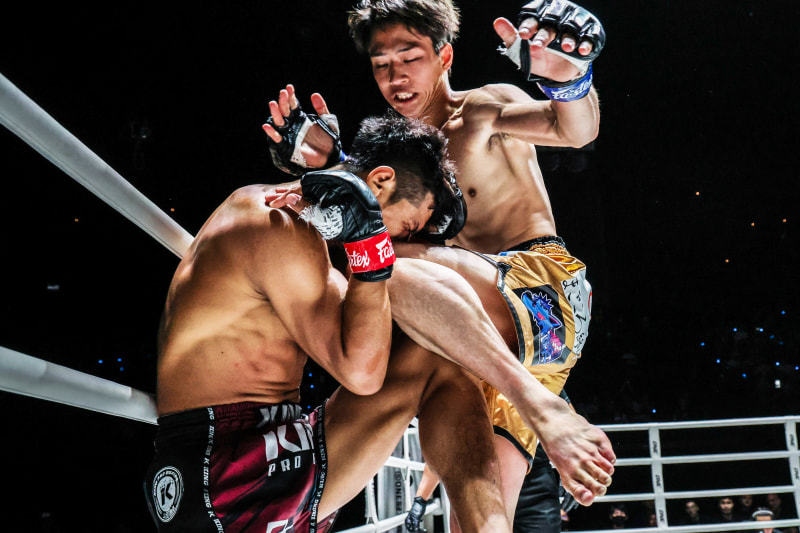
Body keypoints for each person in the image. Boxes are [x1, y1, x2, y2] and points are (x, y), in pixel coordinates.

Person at [262, 0, 609, 528]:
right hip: (486, 340)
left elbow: (573, 130)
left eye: (410, 58)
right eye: (382, 64)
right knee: (479, 518)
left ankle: (540, 406)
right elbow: (373, 221)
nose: (396, 77)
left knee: (379, 262)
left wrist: (569, 80)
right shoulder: (394, 153)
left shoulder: (484, 110)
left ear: (444, 56)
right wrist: (325, 166)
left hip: (542, 292)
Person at [143, 114, 513, 533]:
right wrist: (370, 245)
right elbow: (363, 374)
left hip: (263, 447)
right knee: (431, 358)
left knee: (435, 355)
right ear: (381, 181)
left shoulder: (303, 233)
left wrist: (334, 164)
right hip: (225, 468)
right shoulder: (277, 223)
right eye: (407, 228)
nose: (399, 243)